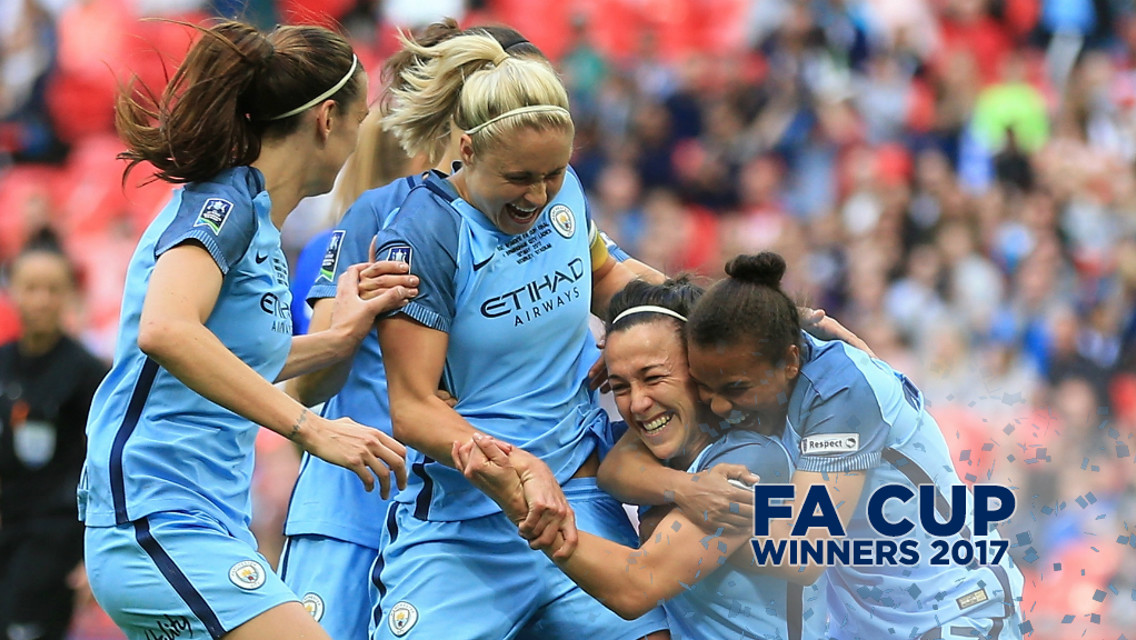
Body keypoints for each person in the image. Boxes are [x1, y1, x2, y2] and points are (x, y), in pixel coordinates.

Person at [79, 20, 416, 640]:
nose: (363, 133)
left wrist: (337, 341)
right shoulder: (224, 205)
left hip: (209, 521)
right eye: (361, 115)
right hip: (156, 520)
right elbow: (166, 330)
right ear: (326, 120)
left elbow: (231, 355)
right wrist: (311, 428)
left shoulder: (259, 222)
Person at [370, 30, 670, 640]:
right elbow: (413, 408)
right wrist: (516, 467)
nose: (538, 195)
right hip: (464, 524)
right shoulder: (425, 235)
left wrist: (713, 318)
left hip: (577, 498)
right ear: (467, 149)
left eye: (553, 173)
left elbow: (604, 278)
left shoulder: (564, 193)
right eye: (519, 178)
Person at [453, 276, 827, 640]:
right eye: (620, 386)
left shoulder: (752, 461)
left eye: (653, 377)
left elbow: (635, 587)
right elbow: (599, 462)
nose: (638, 403)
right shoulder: (648, 450)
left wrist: (519, 503)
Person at [680, 252, 1023, 639]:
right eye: (703, 388)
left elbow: (802, 553)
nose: (718, 406)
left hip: (955, 609)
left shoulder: (843, 392)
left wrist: (684, 529)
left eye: (735, 388)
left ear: (790, 361)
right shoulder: (757, 353)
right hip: (865, 624)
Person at [1, 231, 108, 640]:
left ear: (69, 295)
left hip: (54, 540)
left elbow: (104, 464)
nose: (41, 300)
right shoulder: (3, 363)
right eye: (31, 288)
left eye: (52, 289)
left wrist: (92, 555)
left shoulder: (87, 373)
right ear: (12, 291)